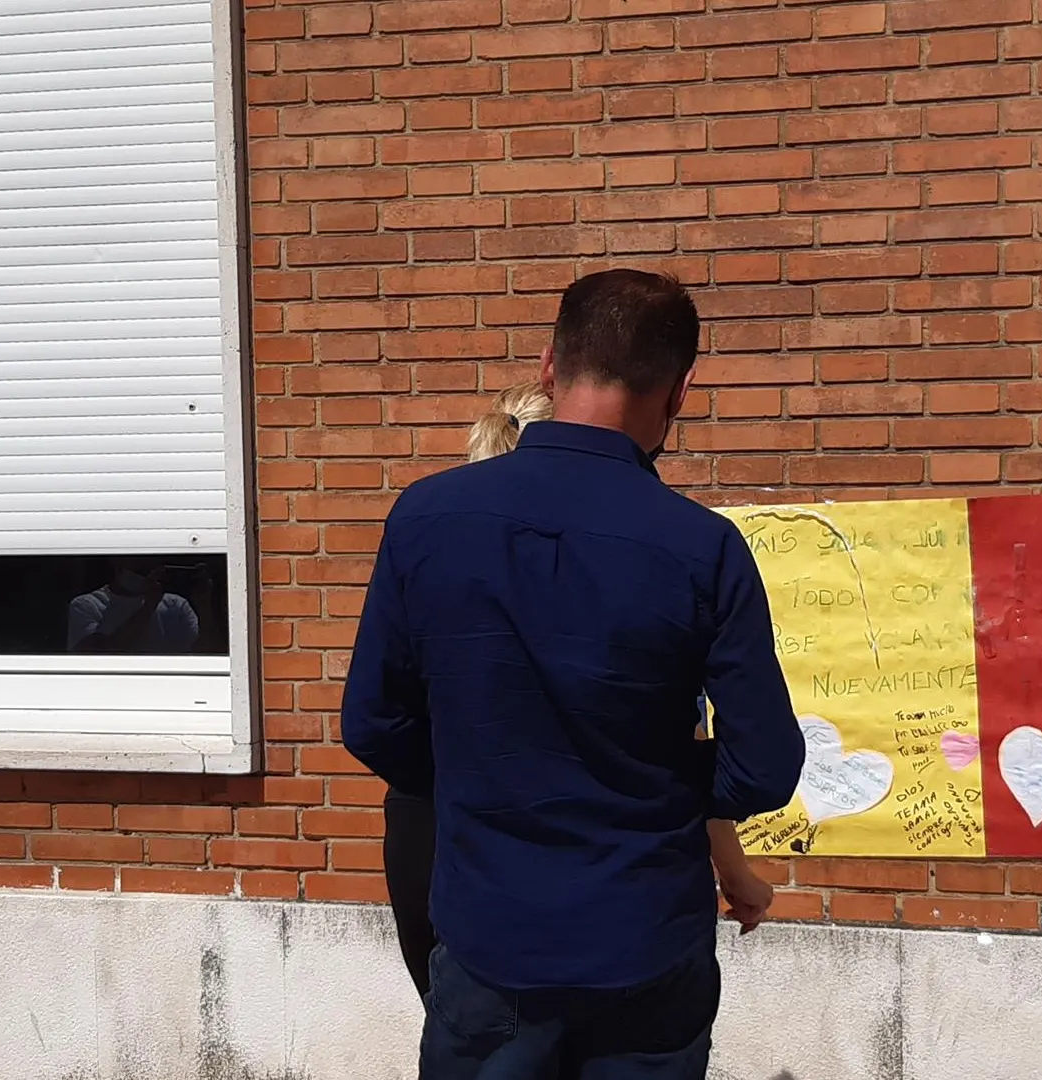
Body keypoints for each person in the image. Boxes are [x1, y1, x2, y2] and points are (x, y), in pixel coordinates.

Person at [343, 269, 805, 1079]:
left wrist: (482, 775)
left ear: (552, 365)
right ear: (682, 392)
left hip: (491, 935)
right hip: (647, 940)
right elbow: (764, 767)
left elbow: (373, 722)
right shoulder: (704, 550)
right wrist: (660, 783)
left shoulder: (426, 517)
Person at [379, 382, 780, 1002]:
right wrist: (724, 857)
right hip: (625, 914)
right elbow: (741, 764)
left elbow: (377, 720)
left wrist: (471, 771)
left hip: (451, 862)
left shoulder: (432, 534)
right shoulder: (674, 555)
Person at [66, 557, 201, 654]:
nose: (145, 568)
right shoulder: (87, 605)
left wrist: (205, 605)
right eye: (138, 567)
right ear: (115, 561)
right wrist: (148, 606)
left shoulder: (177, 605)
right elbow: (99, 656)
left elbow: (203, 652)